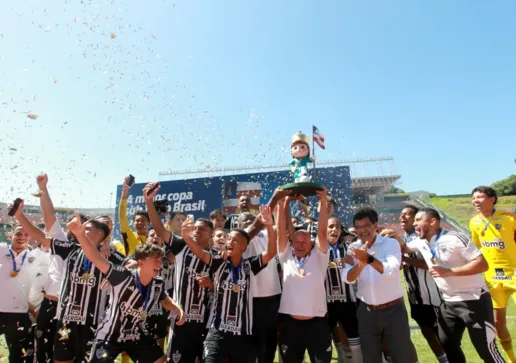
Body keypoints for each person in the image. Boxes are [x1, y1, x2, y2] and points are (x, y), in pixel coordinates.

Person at [11, 200, 127, 363]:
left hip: (93, 321)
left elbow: (132, 266)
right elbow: (39, 236)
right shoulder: (70, 249)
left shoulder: (112, 257)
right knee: (61, 360)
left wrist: (114, 267)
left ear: (100, 235)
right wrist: (19, 215)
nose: (80, 230)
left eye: (86, 229)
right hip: (66, 320)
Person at [66, 214, 185, 363]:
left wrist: (177, 308)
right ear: (140, 262)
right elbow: (95, 257)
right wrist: (80, 234)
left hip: (136, 333)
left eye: (160, 260)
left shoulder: (157, 283)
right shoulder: (122, 275)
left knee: (159, 360)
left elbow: (164, 299)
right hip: (111, 334)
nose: (159, 264)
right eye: (155, 260)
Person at [403, 208, 505, 363]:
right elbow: (405, 249)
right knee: (447, 344)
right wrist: (389, 236)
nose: (414, 223)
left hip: (474, 300)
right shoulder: (420, 241)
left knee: (486, 349)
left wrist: (449, 272)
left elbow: (482, 264)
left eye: (418, 220)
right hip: (448, 302)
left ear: (432, 221)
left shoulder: (455, 238)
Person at [181, 205, 277, 363]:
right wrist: (186, 237)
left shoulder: (249, 265)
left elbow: (272, 252)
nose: (230, 242)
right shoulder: (219, 262)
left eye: (235, 240)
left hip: (243, 335)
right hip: (218, 332)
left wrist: (268, 225)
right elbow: (200, 252)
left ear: (244, 246)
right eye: (229, 238)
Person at [144, 183, 214, 363]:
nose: (197, 231)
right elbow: (160, 229)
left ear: (211, 234)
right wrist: (149, 201)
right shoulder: (182, 246)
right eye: (195, 228)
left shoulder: (217, 257)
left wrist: (212, 283)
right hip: (182, 318)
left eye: (203, 229)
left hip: (207, 321)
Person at [342, 208, 414, 363]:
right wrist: (360, 264)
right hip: (366, 311)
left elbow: (390, 269)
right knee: (370, 357)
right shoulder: (352, 248)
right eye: (358, 227)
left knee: (403, 356)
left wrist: (367, 259)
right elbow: (348, 278)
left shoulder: (390, 243)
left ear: (375, 226)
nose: (362, 230)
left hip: (393, 310)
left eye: (366, 225)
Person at [381, 205, 447, 363]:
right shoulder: (403, 240)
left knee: (443, 334)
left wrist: (404, 259)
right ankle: (443, 359)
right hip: (415, 294)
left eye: (407, 215)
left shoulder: (424, 239)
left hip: (434, 293)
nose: (402, 218)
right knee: (426, 331)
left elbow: (430, 264)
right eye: (401, 215)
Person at [277, 188, 332, 363]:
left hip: (317, 323)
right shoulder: (286, 255)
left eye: (305, 242)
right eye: (297, 242)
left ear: (312, 243)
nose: (300, 245)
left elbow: (322, 232)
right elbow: (281, 232)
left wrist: (322, 204)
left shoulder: (320, 256)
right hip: (289, 324)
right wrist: (284, 203)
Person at [470, 186, 516, 363]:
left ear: (492, 199)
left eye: (480, 197)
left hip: (514, 274)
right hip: (492, 278)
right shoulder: (474, 222)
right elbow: (475, 249)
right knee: (498, 324)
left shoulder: (509, 218)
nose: (476, 201)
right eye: (473, 198)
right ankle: (512, 359)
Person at [239, 211, 282, 363]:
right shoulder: (240, 238)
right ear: (239, 225)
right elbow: (254, 228)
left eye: (253, 218)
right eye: (246, 220)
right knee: (253, 343)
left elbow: (281, 227)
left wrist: (284, 204)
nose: (251, 221)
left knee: (271, 341)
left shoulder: (265, 234)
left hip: (273, 295)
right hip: (251, 298)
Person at [0, 224, 39, 363]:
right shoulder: (1, 249)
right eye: (18, 234)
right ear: (10, 235)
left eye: (26, 234)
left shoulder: (34, 257)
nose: (21, 237)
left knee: (17, 355)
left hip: (19, 312)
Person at [325, 217, 362, 363]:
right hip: (325, 303)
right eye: (331, 226)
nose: (334, 229)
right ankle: (341, 356)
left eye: (337, 227)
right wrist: (340, 261)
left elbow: (355, 271)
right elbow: (317, 268)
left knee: (355, 341)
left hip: (348, 301)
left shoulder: (348, 248)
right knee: (324, 343)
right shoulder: (318, 248)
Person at [119, 175, 150, 254]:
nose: (140, 223)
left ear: (148, 223)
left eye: (143, 220)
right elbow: (122, 216)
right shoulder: (129, 235)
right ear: (133, 223)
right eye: (137, 220)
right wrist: (125, 191)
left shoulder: (153, 238)